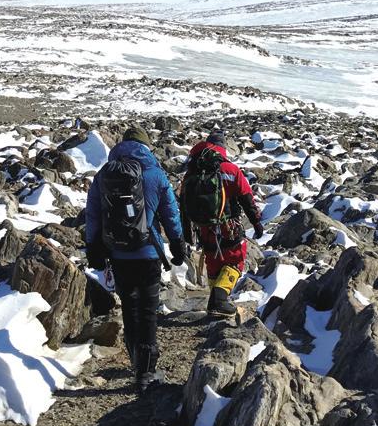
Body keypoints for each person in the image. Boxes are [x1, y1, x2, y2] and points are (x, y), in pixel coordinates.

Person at [85, 126, 186, 392]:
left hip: (118, 255)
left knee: (130, 308)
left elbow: (93, 215)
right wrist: (177, 244)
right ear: (146, 146)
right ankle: (146, 372)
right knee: (148, 310)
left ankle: (136, 362)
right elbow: (171, 214)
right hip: (148, 253)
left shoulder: (104, 175)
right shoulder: (155, 174)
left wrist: (92, 247)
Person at [179, 129, 263, 316]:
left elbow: (183, 204)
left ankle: (215, 302)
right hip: (228, 227)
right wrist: (256, 223)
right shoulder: (230, 169)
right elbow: (247, 199)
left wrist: (187, 235)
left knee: (213, 263)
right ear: (223, 148)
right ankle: (220, 300)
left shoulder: (191, 171)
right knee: (235, 262)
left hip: (204, 229)